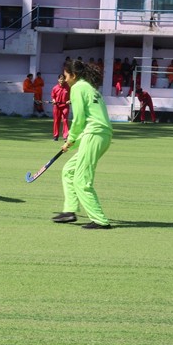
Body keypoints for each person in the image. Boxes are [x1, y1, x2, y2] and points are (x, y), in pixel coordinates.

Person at [51, 59, 113, 229]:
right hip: (100, 135)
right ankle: (70, 211)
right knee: (68, 171)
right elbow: (93, 119)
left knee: (81, 180)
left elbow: (79, 119)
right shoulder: (89, 87)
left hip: (94, 134)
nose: (64, 79)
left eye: (65, 76)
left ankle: (100, 220)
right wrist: (74, 141)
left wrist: (70, 139)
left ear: (73, 75)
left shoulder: (78, 88)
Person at [50, 73, 70, 140]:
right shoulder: (55, 88)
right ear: (58, 80)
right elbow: (53, 97)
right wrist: (54, 100)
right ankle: (56, 136)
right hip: (57, 106)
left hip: (65, 106)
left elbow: (72, 96)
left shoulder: (68, 87)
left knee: (65, 120)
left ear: (65, 80)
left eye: (63, 79)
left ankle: (65, 136)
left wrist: (69, 100)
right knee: (56, 121)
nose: (62, 80)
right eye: (60, 79)